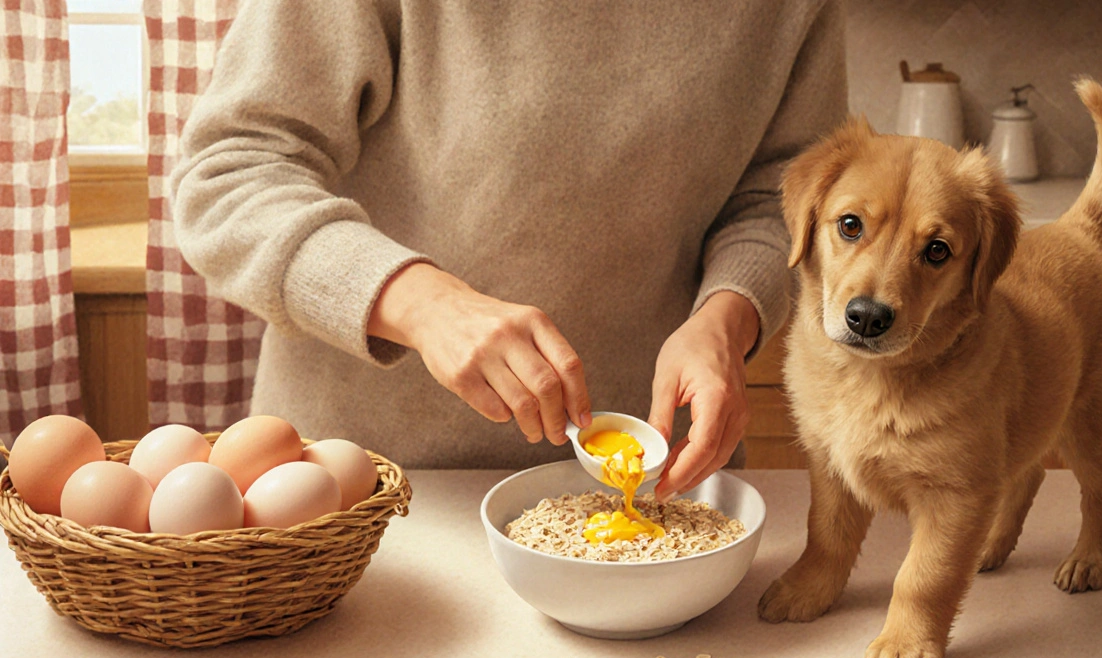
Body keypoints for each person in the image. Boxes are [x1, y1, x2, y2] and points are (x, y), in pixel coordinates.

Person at [173, 0, 846, 501]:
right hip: (355, 485)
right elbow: (230, 172)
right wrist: (421, 301)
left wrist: (725, 321)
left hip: (642, 486)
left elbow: (781, 197)